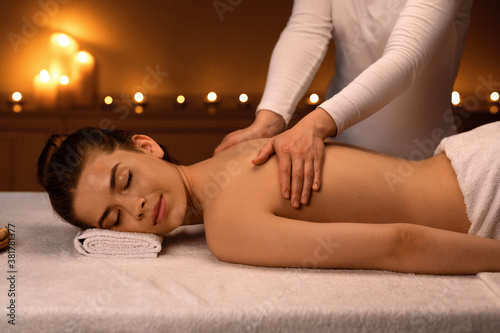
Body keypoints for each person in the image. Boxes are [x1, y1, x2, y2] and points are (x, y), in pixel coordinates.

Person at [37, 122, 500, 275]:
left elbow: (399, 244)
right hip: (475, 151)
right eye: (113, 220)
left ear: (145, 146)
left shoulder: (228, 230)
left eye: (125, 180)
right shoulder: (237, 149)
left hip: (485, 190)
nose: (135, 207)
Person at [214, 0, 474, 209]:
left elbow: (405, 58)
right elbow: (306, 29)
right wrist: (268, 121)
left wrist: (315, 125)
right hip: (336, 160)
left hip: (424, 165)